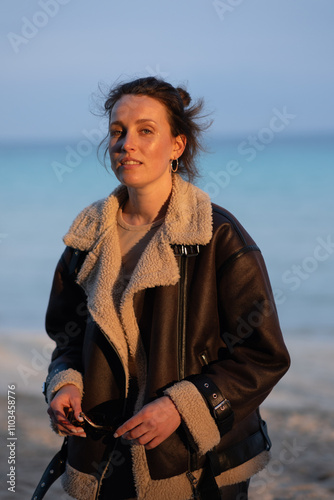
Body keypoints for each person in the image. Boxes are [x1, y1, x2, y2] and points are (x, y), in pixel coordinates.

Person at [44, 77, 290, 500]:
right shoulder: (88, 239)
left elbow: (263, 356)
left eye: (145, 130)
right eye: (117, 131)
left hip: (198, 461)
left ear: (176, 145)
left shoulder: (218, 236)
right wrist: (65, 383)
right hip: (105, 451)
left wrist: (183, 406)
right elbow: (66, 335)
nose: (126, 144)